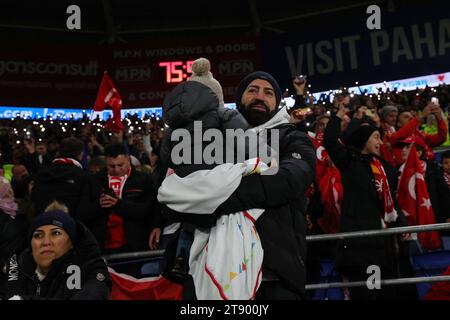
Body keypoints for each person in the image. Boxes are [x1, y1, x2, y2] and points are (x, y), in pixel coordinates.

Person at [159, 70, 316, 299]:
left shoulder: (293, 139)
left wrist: (210, 198)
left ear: (277, 103)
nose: (260, 96)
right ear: (240, 99)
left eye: (268, 92)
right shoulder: (208, 136)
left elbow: (287, 182)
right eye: (252, 90)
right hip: (205, 271)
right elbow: (172, 195)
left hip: (274, 275)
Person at [323, 103, 407, 300]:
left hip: (382, 243)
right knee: (367, 293)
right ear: (363, 141)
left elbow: (390, 200)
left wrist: (401, 223)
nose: (380, 142)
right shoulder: (349, 162)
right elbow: (330, 141)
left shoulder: (381, 166)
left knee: (383, 292)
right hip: (362, 246)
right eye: (376, 137)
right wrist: (340, 115)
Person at [0, 201, 111, 300]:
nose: (46, 242)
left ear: (71, 242)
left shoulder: (91, 267)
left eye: (56, 233)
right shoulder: (18, 265)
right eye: (38, 235)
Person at [90, 143, 157, 276]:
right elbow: (85, 212)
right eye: (111, 166)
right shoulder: (94, 181)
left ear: (128, 160)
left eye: (120, 165)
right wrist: (98, 205)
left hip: (132, 245)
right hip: (102, 246)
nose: (116, 169)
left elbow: (148, 210)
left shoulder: (143, 180)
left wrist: (118, 204)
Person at [30, 137, 97, 222]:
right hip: (71, 229)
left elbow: (34, 199)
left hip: (43, 226)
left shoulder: (41, 173)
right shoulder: (85, 177)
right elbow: (84, 211)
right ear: (81, 154)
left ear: (59, 152)